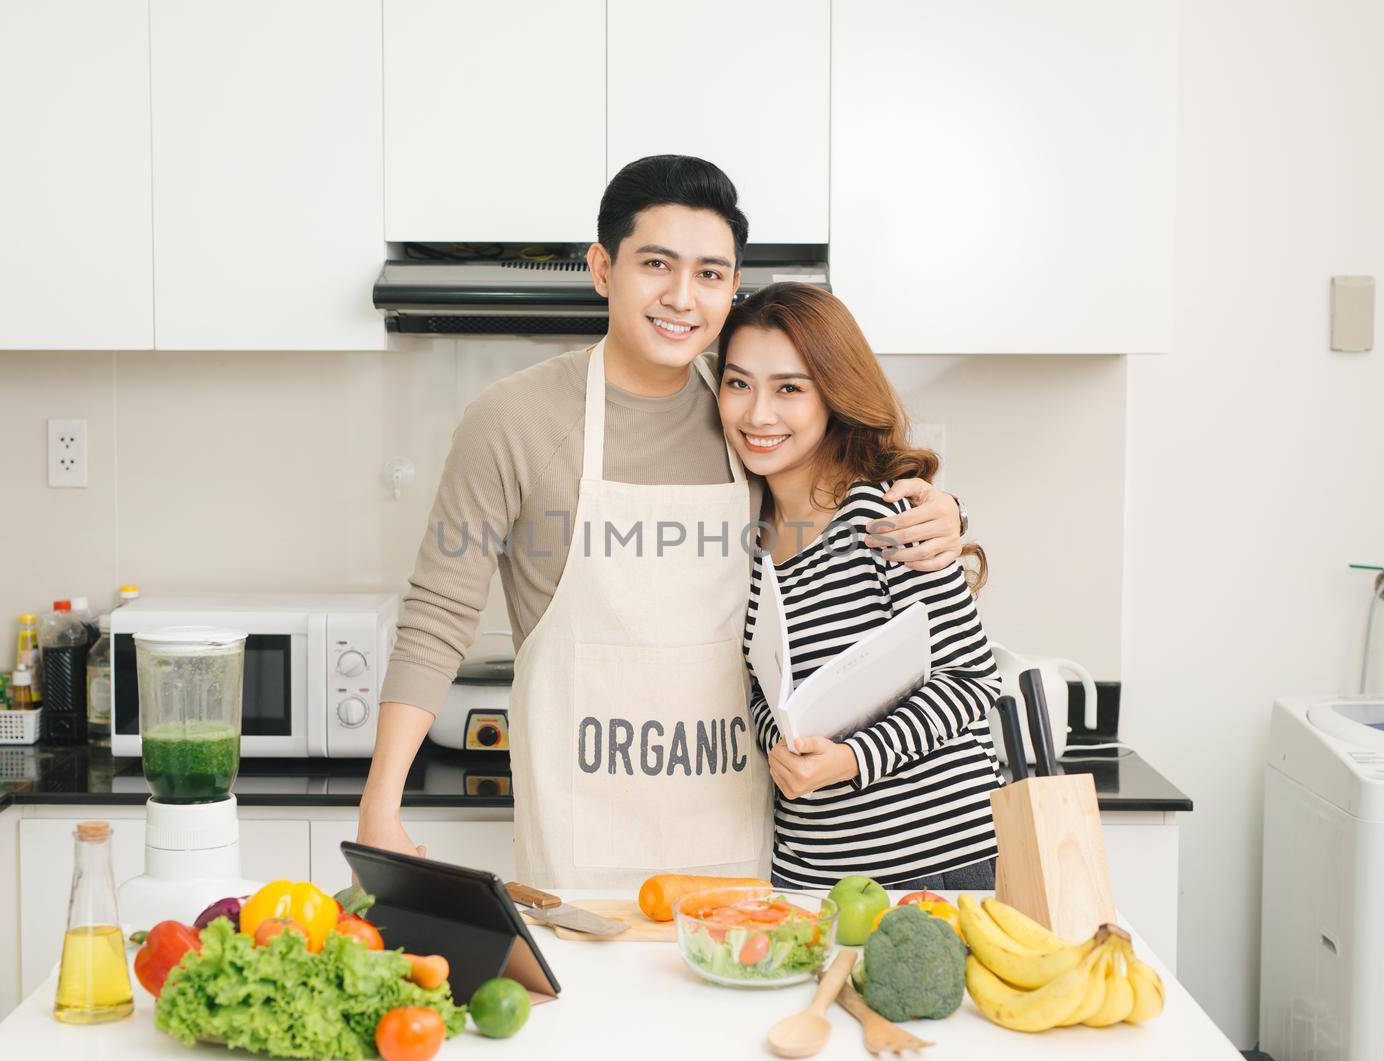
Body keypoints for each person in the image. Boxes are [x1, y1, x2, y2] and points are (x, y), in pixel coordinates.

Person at [358, 156, 968, 889]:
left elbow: (839, 491)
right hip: (583, 839)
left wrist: (938, 506)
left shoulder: (742, 417)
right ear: (603, 268)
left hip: (741, 842)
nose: (683, 298)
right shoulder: (512, 420)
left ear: (732, 286)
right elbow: (438, 614)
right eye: (657, 264)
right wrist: (380, 809)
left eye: (711, 274)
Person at [717, 282, 1004, 892]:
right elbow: (766, 695)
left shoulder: (885, 516)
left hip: (936, 867)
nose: (757, 413)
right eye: (738, 383)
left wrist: (848, 761)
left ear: (835, 396)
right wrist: (782, 748)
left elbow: (971, 684)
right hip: (810, 875)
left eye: (789, 389)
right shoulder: (741, 537)